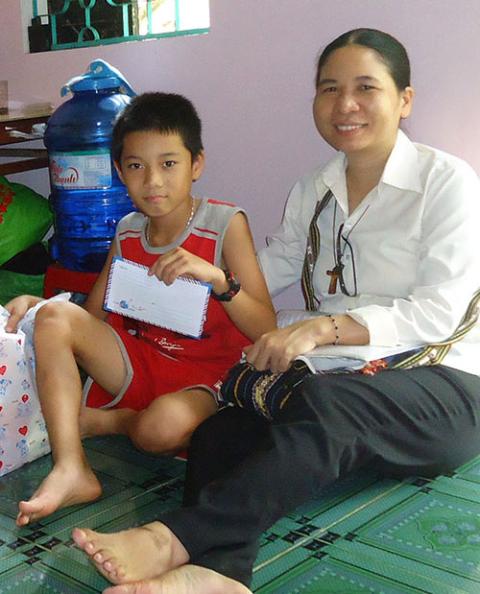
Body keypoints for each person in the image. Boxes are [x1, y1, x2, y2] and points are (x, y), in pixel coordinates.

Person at [72, 29, 480, 594]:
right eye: (329, 88)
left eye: (366, 87)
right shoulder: (314, 190)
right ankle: (219, 574)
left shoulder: (447, 182)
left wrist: (323, 327)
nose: (345, 104)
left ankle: (169, 540)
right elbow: (262, 280)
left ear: (404, 99)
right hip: (337, 380)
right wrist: (203, 280)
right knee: (222, 430)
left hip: (446, 388)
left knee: (326, 402)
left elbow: (439, 312)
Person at [5, 92, 276, 528]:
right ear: (119, 172)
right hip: (140, 361)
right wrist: (43, 306)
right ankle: (71, 467)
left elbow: (266, 326)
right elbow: (94, 318)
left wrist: (218, 280)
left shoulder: (226, 224)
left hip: (208, 375)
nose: (152, 181)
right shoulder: (128, 231)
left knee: (158, 432)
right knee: (55, 317)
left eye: (168, 164)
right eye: (136, 166)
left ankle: (112, 422)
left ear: (196, 164)